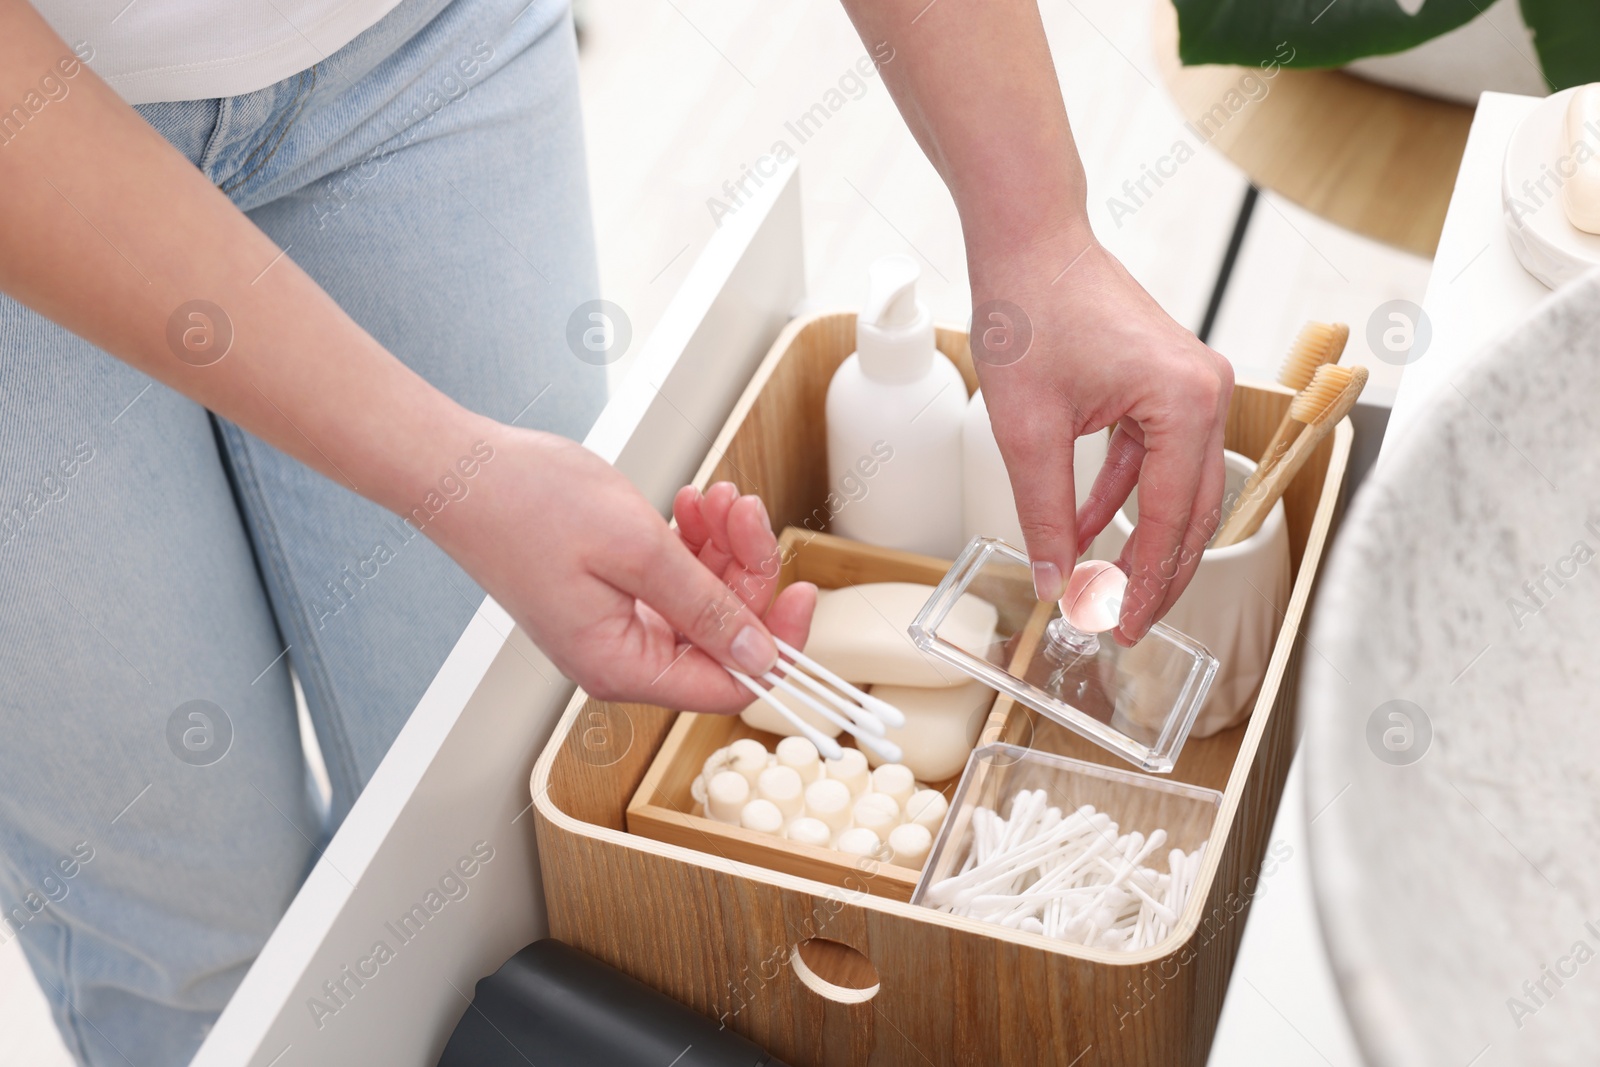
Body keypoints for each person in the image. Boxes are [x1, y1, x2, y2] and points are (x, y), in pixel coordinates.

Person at [0, 0, 1232, 1060]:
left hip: (407, 48)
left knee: (481, 836)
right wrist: (456, 471)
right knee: (199, 957)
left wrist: (1038, 227)